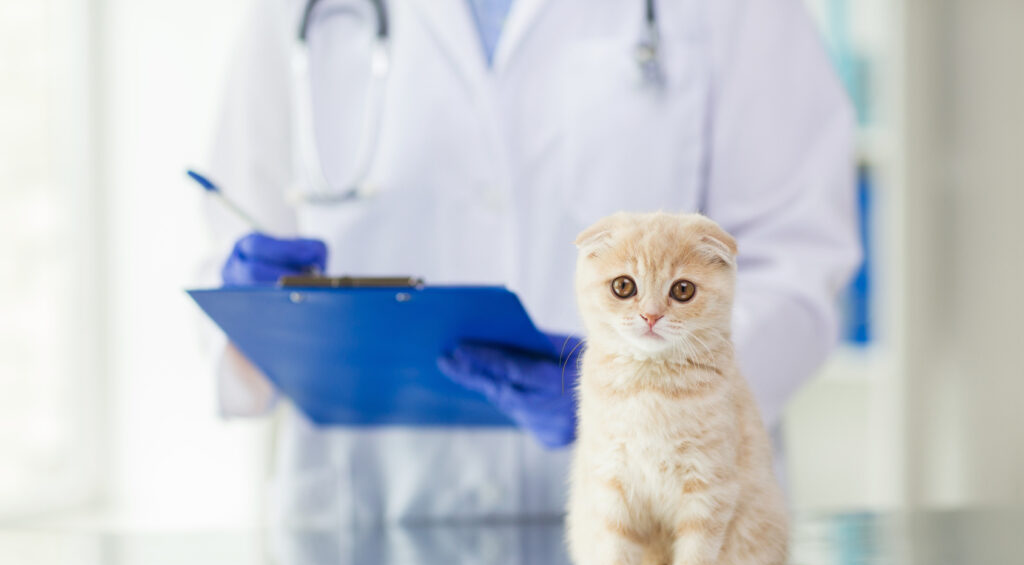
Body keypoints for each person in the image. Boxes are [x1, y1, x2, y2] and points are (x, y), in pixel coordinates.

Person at [203, 0, 860, 526]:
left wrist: (645, 398)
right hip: (370, 521)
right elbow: (231, 231)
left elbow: (799, 259)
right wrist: (251, 315)